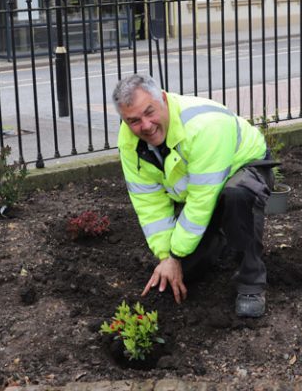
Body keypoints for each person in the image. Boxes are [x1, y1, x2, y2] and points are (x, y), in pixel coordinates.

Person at [112, 74, 275, 318]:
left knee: (236, 197)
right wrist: (167, 257)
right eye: (134, 121)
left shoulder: (203, 126)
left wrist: (176, 254)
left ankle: (251, 283)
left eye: (150, 112)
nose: (145, 126)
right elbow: (149, 204)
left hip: (244, 170)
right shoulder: (130, 141)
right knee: (180, 275)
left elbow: (201, 201)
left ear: (163, 100)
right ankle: (220, 241)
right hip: (198, 188)